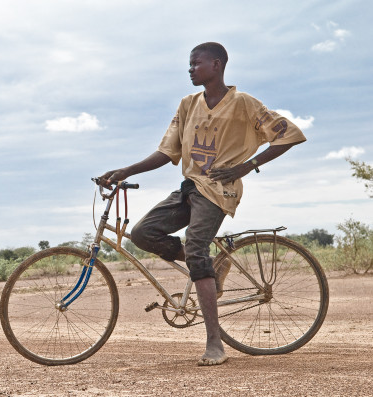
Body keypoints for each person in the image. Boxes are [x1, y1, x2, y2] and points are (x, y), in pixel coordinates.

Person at [99, 42, 306, 366]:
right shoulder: (187, 105)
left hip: (219, 190)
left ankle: (215, 344)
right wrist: (127, 169)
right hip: (190, 187)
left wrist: (246, 166)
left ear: (217, 64)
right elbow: (167, 152)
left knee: (196, 248)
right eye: (189, 64)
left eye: (196, 63)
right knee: (142, 234)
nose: (190, 69)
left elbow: (289, 134)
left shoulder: (244, 104)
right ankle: (212, 263)